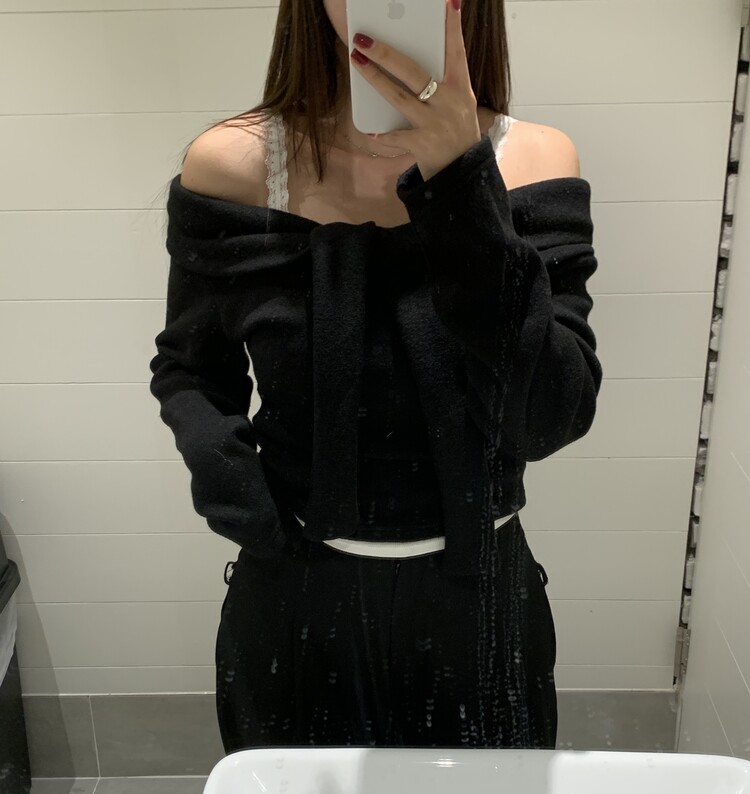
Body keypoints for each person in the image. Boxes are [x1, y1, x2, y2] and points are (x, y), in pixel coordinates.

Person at [149, 0, 602, 754]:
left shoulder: (534, 160)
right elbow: (191, 366)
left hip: (480, 610)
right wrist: (246, 507)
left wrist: (461, 179)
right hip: (296, 601)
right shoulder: (234, 166)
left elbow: (550, 415)